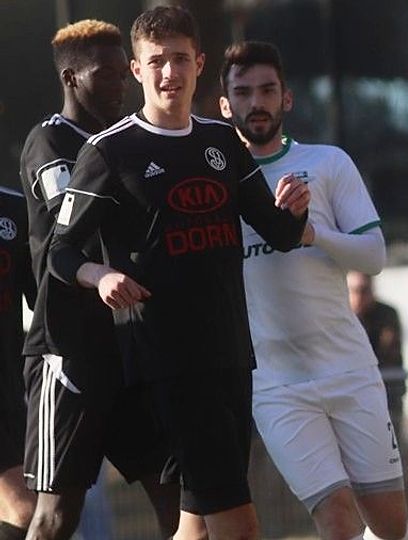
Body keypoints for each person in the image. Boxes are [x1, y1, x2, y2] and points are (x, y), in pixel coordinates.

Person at [47, 8, 310, 540]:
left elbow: (280, 234)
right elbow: (60, 252)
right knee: (237, 521)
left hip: (231, 351)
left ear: (199, 64)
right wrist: (100, 276)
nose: (170, 72)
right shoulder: (109, 150)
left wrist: (294, 209)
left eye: (181, 59)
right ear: (137, 70)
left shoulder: (222, 141)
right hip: (167, 361)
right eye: (157, 61)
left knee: (197, 520)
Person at [219, 41, 408, 540]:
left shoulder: (327, 163)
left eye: (267, 90)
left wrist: (310, 233)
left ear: (287, 98)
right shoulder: (215, 184)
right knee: (337, 519)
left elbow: (374, 256)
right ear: (225, 105)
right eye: (243, 92)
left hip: (350, 370)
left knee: (389, 525)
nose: (256, 103)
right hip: (276, 385)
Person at [18, 20, 182, 540]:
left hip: (130, 346)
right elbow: (72, 229)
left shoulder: (128, 140)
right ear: (71, 78)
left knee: (176, 495)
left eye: (122, 73)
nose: (121, 84)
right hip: (70, 353)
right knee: (56, 514)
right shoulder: (49, 140)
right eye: (106, 74)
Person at [0, 186, 35, 540]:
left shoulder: (14, 209)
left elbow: (42, 302)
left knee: (36, 510)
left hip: (10, 394)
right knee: (24, 509)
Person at [348, 271, 407, 440]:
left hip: (387, 393)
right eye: (354, 290)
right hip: (354, 397)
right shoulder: (344, 319)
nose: (359, 296)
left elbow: (386, 351)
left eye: (364, 290)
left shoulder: (387, 315)